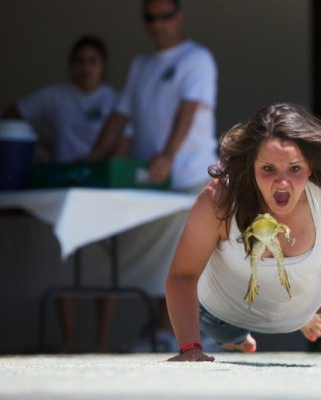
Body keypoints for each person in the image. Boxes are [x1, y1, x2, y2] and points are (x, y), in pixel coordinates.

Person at [165, 102, 321, 365]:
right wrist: (190, 347)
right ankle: (237, 337)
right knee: (226, 331)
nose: (282, 183)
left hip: (303, 305)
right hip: (224, 315)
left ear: (310, 167)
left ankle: (304, 313)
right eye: (268, 169)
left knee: (297, 296)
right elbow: (182, 276)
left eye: (294, 169)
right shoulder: (218, 200)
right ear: (251, 167)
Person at [83, 0, 218, 350]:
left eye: (164, 16)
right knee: (160, 260)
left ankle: (176, 334)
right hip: (151, 182)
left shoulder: (197, 58)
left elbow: (189, 109)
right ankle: (166, 332)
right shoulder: (141, 64)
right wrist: (94, 160)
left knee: (184, 256)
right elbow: (121, 118)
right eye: (150, 18)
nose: (157, 23)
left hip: (189, 177)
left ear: (179, 17)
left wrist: (169, 155)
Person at [2, 35, 119, 353]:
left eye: (92, 61)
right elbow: (11, 113)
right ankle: (68, 341)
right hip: (64, 186)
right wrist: (39, 143)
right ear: (71, 65)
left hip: (99, 188)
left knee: (104, 267)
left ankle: (101, 342)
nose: (85, 68)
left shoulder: (114, 99)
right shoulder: (55, 95)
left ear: (103, 66)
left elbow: (125, 140)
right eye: (79, 61)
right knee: (64, 262)